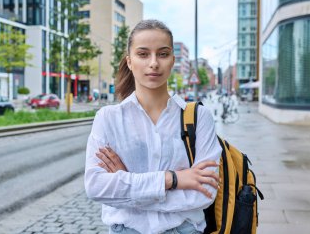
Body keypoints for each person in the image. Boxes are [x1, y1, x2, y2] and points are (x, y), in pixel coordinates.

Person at [84, 19, 222, 234]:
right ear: (129, 61)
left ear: (173, 60)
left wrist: (128, 185)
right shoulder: (108, 118)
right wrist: (174, 179)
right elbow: (96, 186)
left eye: (163, 54)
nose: (154, 63)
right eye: (143, 54)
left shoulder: (198, 117)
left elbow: (204, 192)